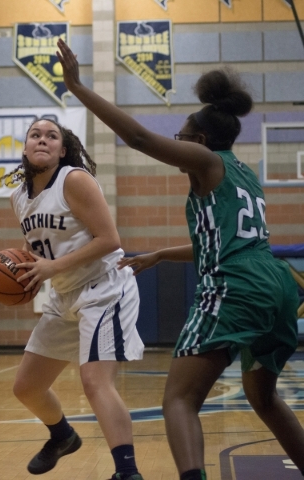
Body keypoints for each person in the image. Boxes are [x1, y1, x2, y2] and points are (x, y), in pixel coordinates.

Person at [56, 38, 304, 480]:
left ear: (199, 140)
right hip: (277, 284)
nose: (178, 144)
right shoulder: (245, 175)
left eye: (182, 137)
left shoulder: (207, 161)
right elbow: (227, 243)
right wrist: (159, 254)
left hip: (237, 286)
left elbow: (135, 137)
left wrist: (78, 87)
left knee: (179, 399)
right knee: (264, 398)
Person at [4, 116, 145, 480]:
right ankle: (63, 436)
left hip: (104, 288)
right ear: (25, 146)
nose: (42, 140)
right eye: (35, 134)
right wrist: (24, 268)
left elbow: (109, 239)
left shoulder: (74, 180)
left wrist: (52, 268)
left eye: (52, 136)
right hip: (65, 293)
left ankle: (127, 472)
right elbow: (36, 242)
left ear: (62, 150)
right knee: (27, 387)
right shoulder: (19, 197)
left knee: (95, 381)